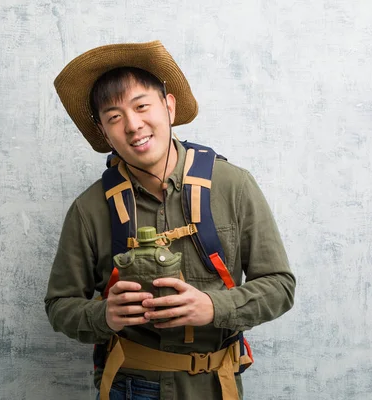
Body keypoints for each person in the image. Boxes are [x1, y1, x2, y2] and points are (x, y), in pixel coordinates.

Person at [44, 40, 296, 400]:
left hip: (218, 385)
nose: (133, 125)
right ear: (103, 132)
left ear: (169, 106)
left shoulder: (233, 184)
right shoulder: (89, 209)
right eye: (114, 117)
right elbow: (59, 306)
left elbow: (280, 286)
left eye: (142, 106)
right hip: (131, 386)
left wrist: (213, 306)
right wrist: (105, 317)